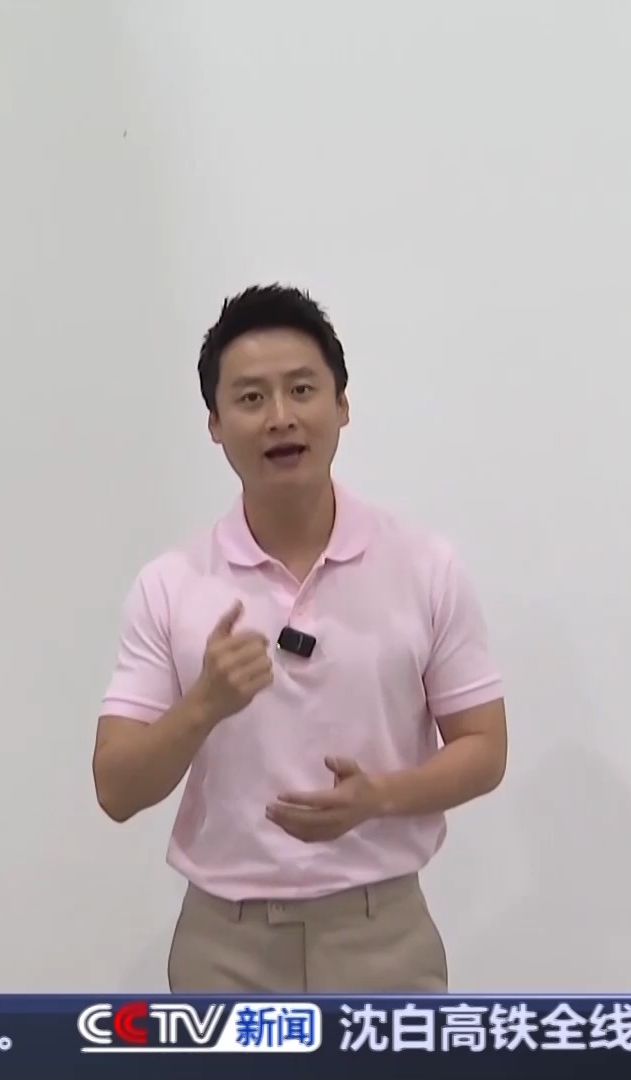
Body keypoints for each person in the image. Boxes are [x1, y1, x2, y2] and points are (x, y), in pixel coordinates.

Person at [90, 283, 510, 993]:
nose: (280, 417)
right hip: (226, 949)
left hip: (382, 935)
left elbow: (484, 748)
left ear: (342, 405)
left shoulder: (424, 565)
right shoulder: (170, 584)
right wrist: (204, 704)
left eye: (302, 390)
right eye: (251, 398)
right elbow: (116, 788)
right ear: (215, 423)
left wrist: (380, 797)